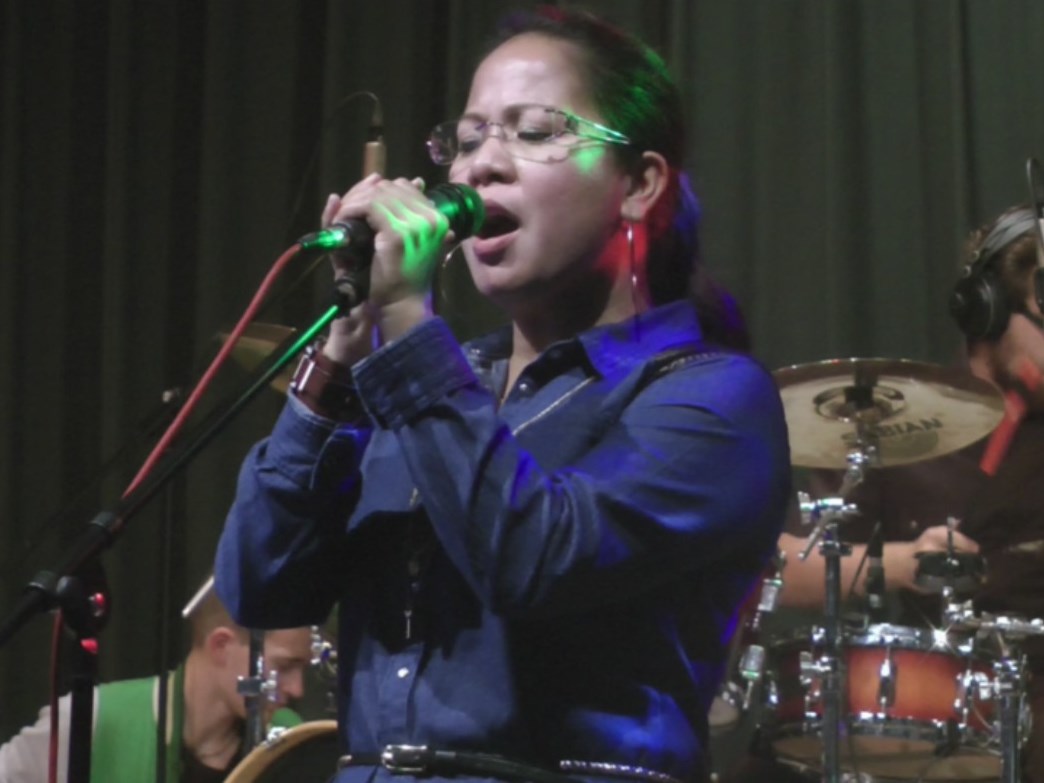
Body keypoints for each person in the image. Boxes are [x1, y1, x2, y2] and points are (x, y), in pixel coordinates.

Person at [214, 7, 792, 783]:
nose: (482, 165)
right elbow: (260, 583)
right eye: (468, 138)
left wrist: (408, 319)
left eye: (533, 131)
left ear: (639, 184)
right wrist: (343, 355)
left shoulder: (714, 397)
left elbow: (532, 557)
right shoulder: (434, 382)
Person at [721, 205, 1044, 782]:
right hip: (934, 704)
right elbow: (781, 568)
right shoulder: (898, 422)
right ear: (987, 311)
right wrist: (904, 563)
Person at [0, 587, 314, 783]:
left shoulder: (291, 739)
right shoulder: (95, 718)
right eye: (284, 666)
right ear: (221, 645)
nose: (297, 689)